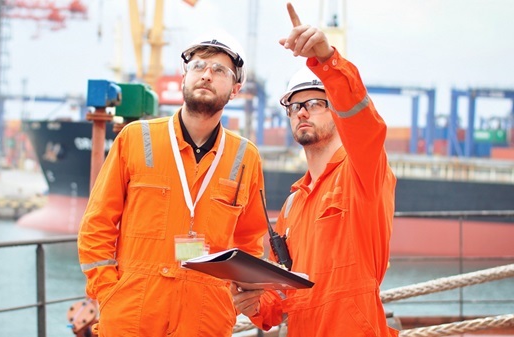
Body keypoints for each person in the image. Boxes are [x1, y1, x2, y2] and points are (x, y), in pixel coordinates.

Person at [77, 33, 269, 336]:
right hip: (132, 313)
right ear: (184, 77)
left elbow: (249, 242)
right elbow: (97, 224)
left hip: (206, 317)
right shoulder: (135, 139)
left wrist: (229, 302)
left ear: (235, 90)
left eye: (220, 70)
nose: (206, 74)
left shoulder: (245, 158)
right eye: (198, 65)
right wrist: (109, 293)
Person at [232, 3, 399, 337]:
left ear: (336, 109)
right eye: (295, 106)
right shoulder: (294, 205)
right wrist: (253, 303)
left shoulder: (362, 174)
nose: (302, 112)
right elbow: (283, 296)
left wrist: (326, 60)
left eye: (316, 103)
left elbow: (365, 124)